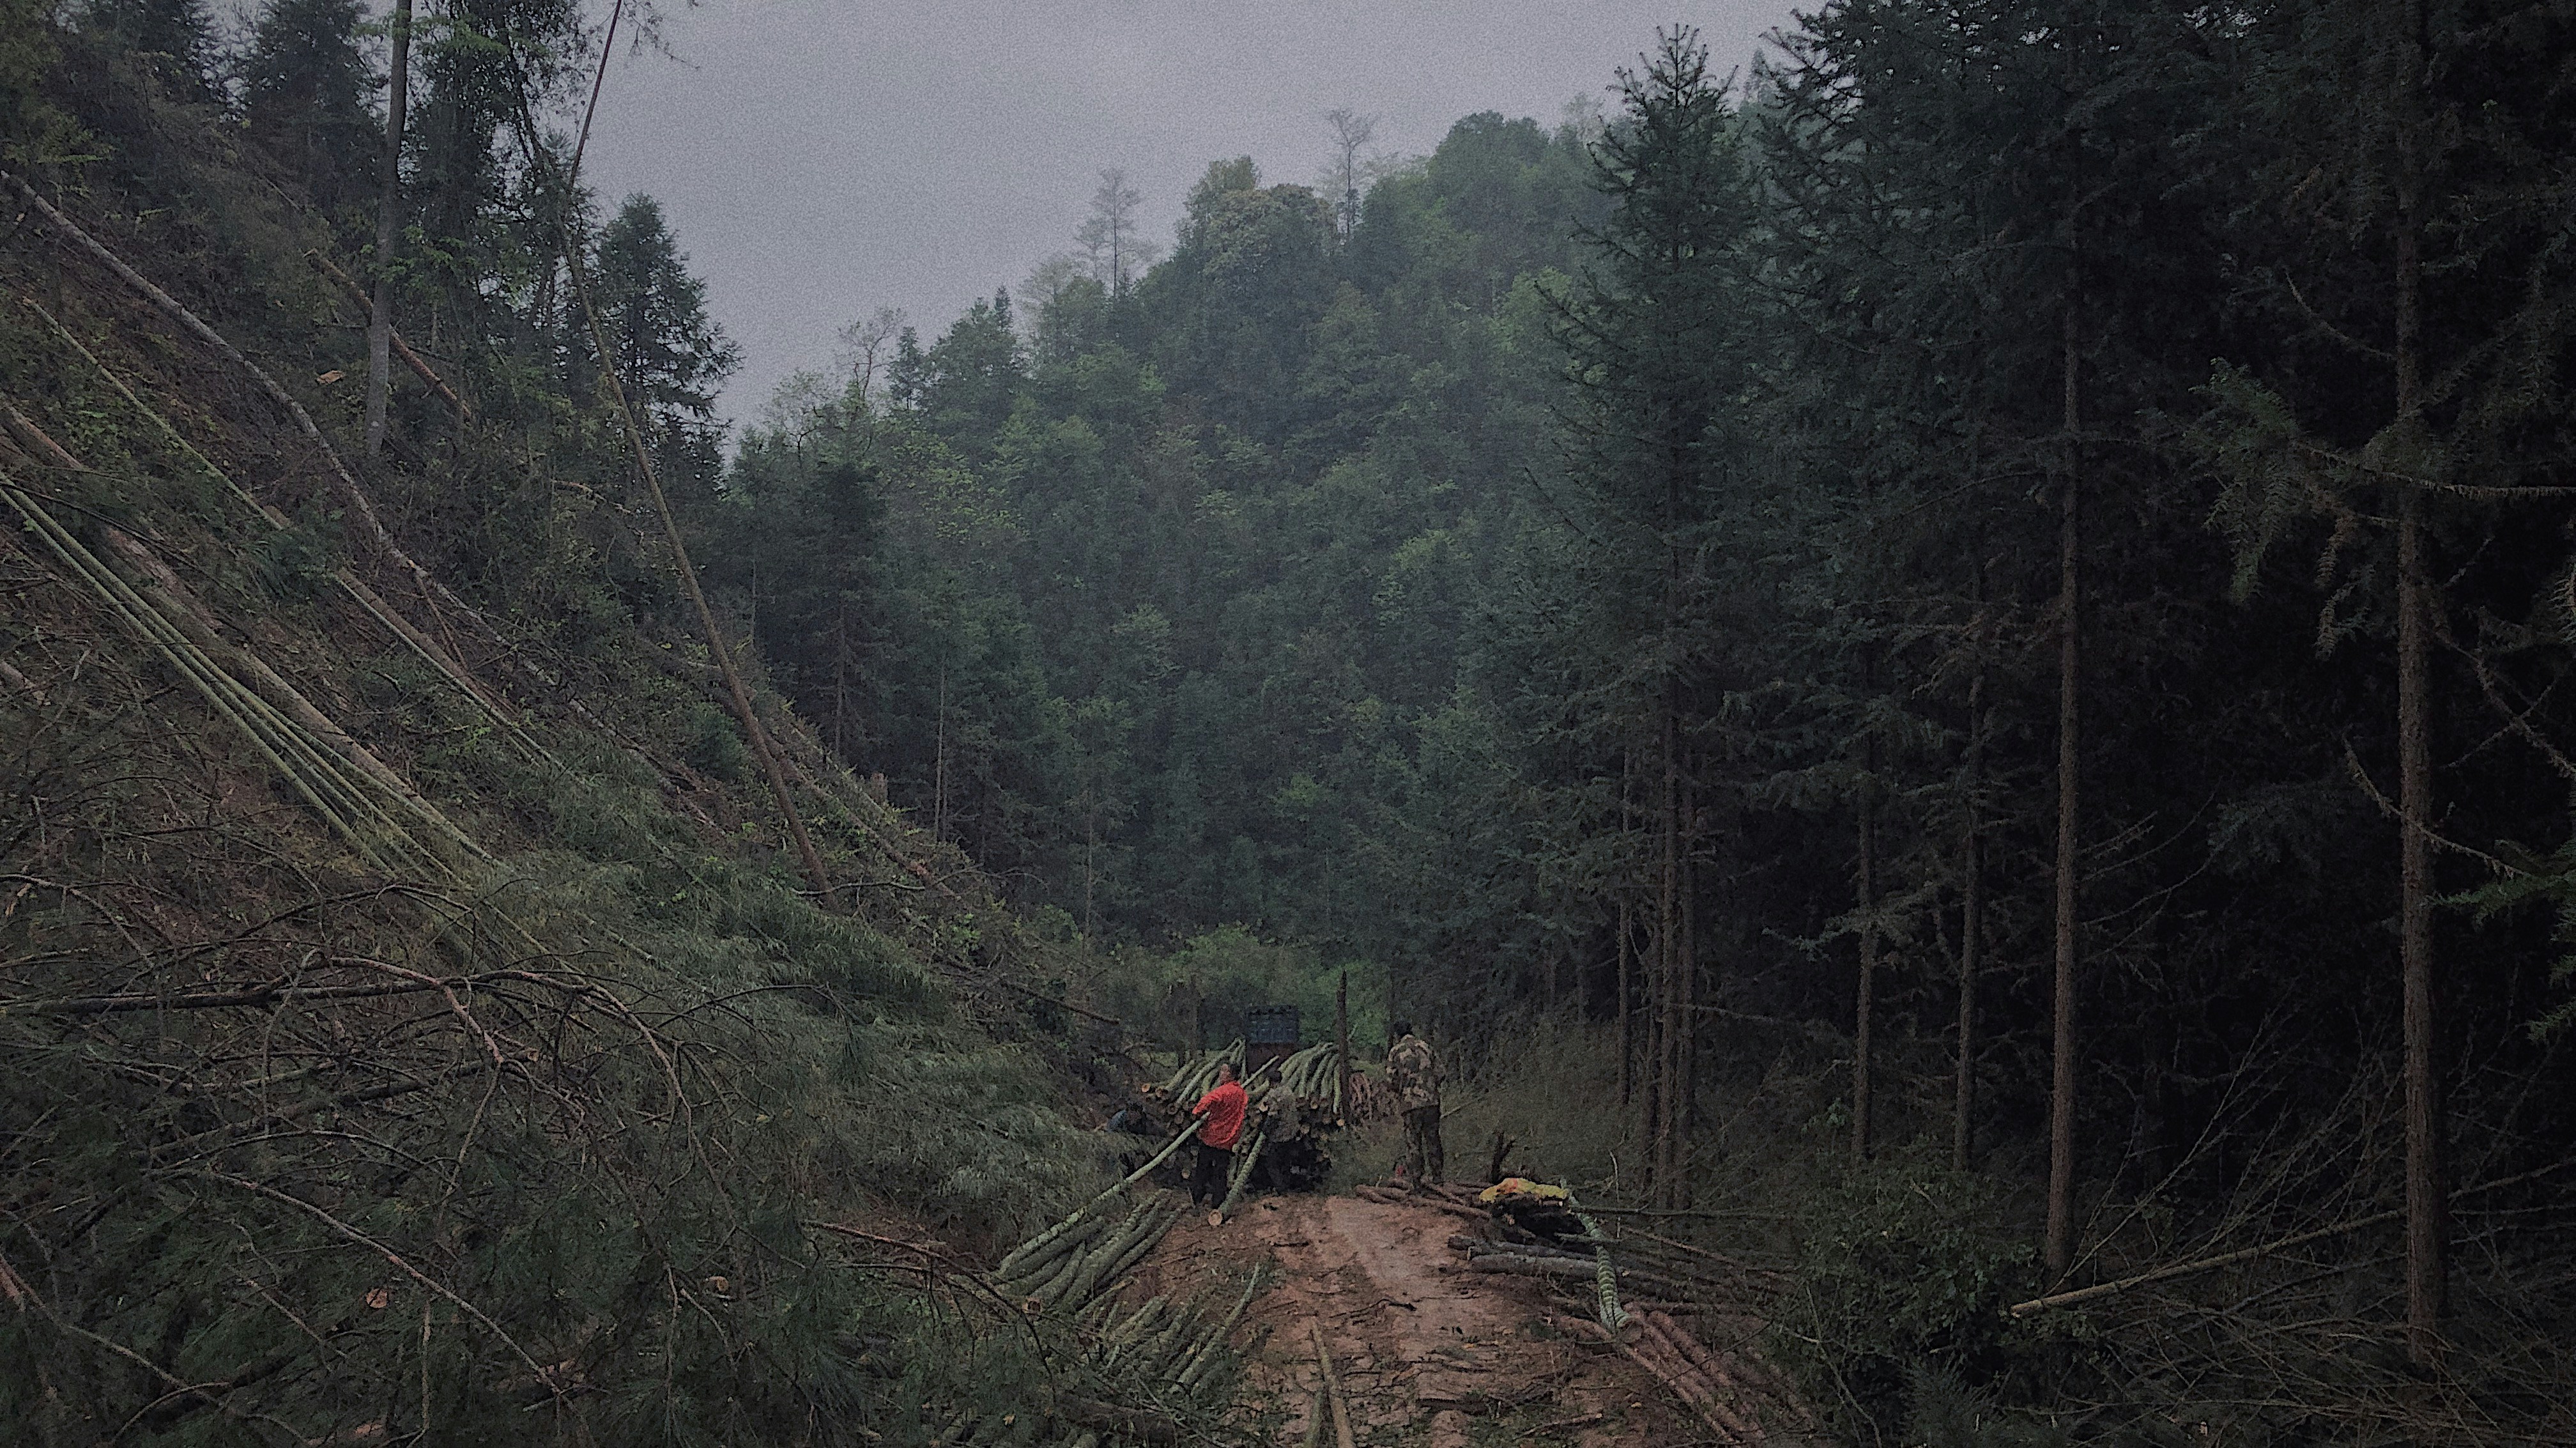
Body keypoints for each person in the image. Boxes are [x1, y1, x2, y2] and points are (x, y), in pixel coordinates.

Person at [1386, 1021, 1443, 1192]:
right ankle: (1438, 1179)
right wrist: (1430, 1087)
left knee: (1414, 1144)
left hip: (1410, 1105)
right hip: (1431, 1103)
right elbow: (1441, 1073)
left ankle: (1417, 1184)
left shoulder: (1396, 1052)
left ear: (1398, 1035)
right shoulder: (1426, 1047)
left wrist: (1404, 1091)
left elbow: (1391, 1081)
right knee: (1433, 1140)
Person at [1190, 1061, 1249, 1217]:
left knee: (1202, 1170)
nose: (1220, 1074)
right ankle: (1218, 1202)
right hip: (1228, 1140)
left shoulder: (1223, 1091)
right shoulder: (1242, 1094)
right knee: (1220, 1173)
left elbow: (1206, 1101)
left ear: (1230, 1074)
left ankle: (1197, 1198)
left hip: (1212, 1137)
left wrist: (1196, 1113)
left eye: (1223, 1071)